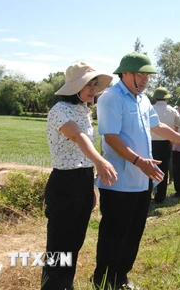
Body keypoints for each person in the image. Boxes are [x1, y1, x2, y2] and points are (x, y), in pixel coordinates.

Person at [93, 52, 180, 290]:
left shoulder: (142, 99)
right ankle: (103, 279)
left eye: (147, 75)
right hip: (120, 180)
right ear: (125, 73)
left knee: (135, 230)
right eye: (140, 74)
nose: (145, 80)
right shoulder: (111, 98)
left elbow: (159, 126)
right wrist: (138, 161)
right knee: (114, 232)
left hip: (143, 180)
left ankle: (121, 276)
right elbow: (111, 137)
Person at [42, 62, 118, 290]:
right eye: (88, 84)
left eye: (95, 84)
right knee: (59, 243)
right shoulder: (60, 110)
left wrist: (91, 186)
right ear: (75, 86)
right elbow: (78, 137)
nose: (93, 88)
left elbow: (83, 152)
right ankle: (53, 285)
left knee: (75, 241)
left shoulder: (84, 110)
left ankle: (66, 284)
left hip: (82, 180)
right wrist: (101, 160)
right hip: (65, 183)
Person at [151, 86, 180, 203]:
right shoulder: (172, 110)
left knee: (149, 169)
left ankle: (147, 194)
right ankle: (161, 196)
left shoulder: (150, 109)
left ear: (155, 98)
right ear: (166, 98)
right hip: (167, 143)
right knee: (164, 170)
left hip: (151, 143)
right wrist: (175, 139)